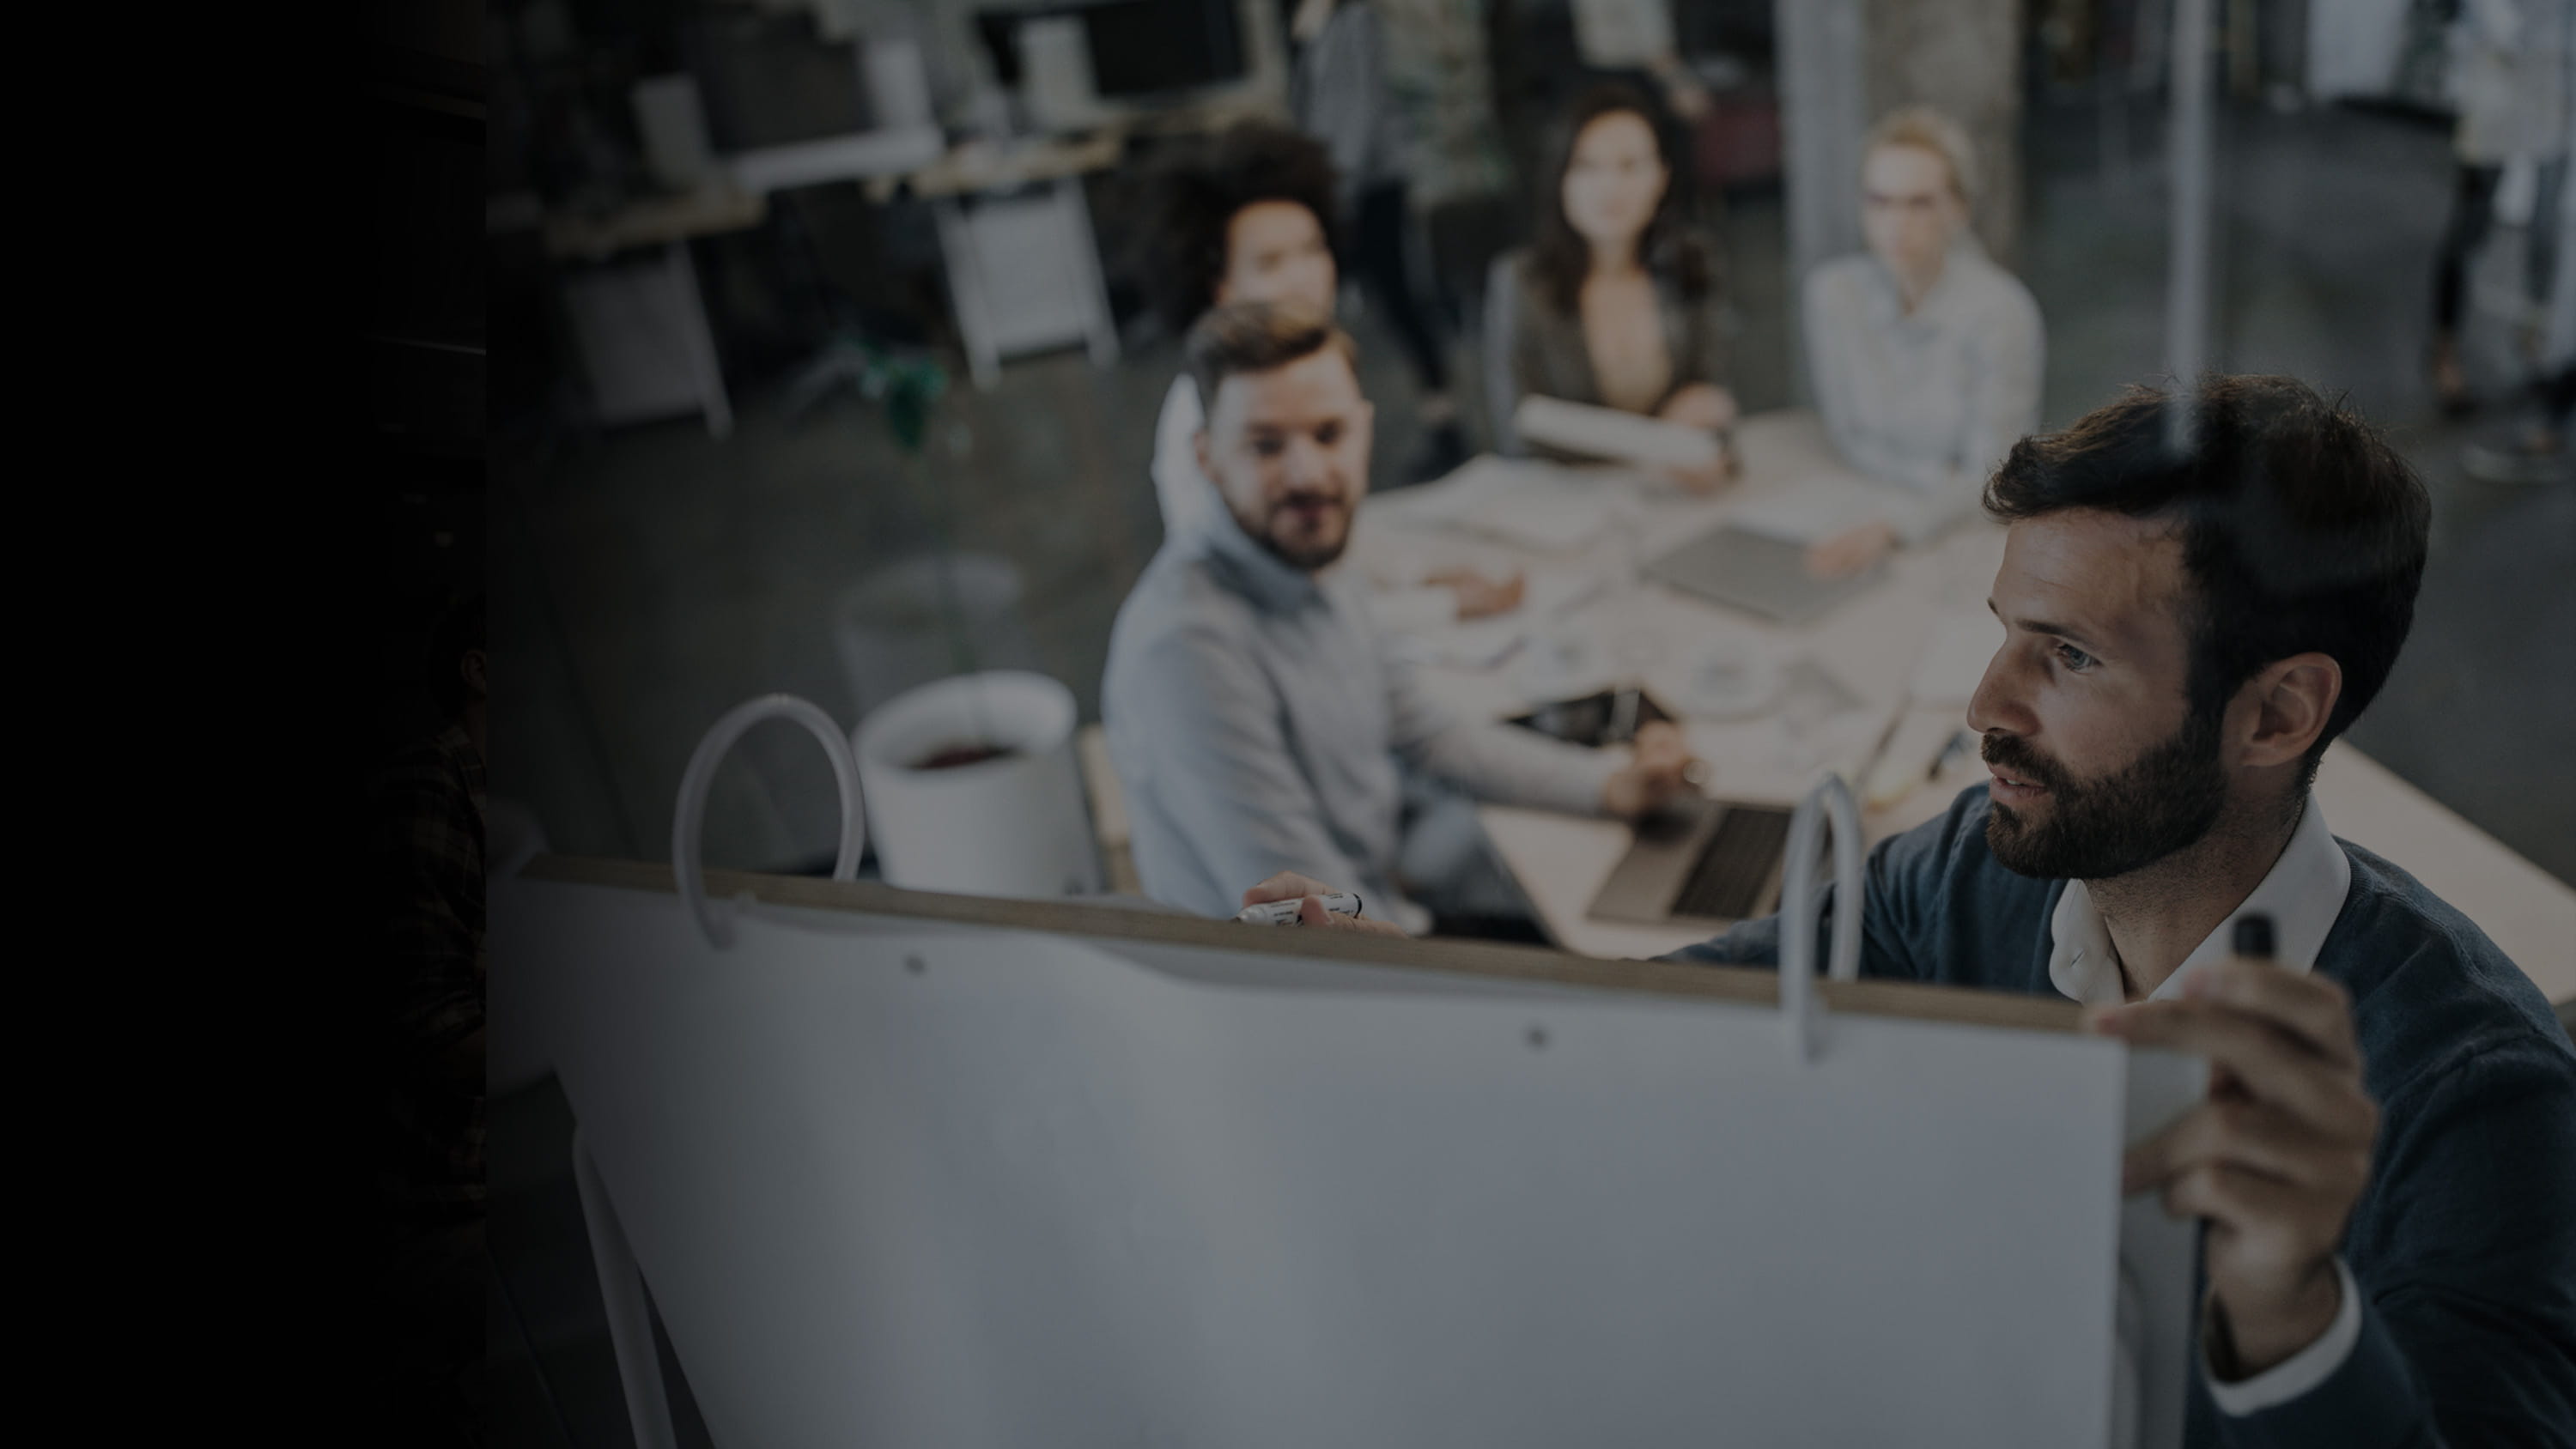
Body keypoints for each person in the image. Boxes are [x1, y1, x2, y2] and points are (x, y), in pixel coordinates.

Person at [1242, 374, 2576, 1446]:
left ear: (2277, 713)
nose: (1985, 707)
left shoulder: (2482, 1099)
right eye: (2005, 630)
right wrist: (1414, 987)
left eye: (2067, 656)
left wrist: (2288, 1314)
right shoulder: (1976, 871)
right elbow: (1707, 1006)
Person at [1104, 299, 1698, 931]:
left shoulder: (1310, 553)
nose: (1309, 473)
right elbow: (1301, 911)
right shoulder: (1188, 651)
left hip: (1379, 907)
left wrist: (1606, 788)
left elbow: (1427, 732)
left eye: (1328, 434)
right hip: (1312, 983)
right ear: (1206, 459)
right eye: (1266, 445)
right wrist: (1447, 963)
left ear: (1362, 428)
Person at [1141, 124, 1518, 621]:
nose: (1305, 276)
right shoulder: (1207, 414)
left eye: (1312, 249)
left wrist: (1419, 573)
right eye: (1272, 262)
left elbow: (1340, 543)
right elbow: (1278, 607)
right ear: (1220, 287)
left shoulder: (1307, 370)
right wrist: (1443, 604)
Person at [1801, 105, 2044, 579]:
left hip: (1965, 533)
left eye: (1919, 203)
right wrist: (1939, 479)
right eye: (1880, 201)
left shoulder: (2001, 313)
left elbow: (1995, 478)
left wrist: (1899, 523)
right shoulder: (1834, 294)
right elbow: (1847, 434)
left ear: (1958, 209)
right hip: (1858, 496)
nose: (1896, 222)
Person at [1487, 83, 1738, 494]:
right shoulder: (1521, 281)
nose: (1609, 186)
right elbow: (1520, 439)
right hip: (1572, 504)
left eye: (1630, 166)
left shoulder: (1691, 261)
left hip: (1673, 495)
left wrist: (1708, 432)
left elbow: (1714, 404)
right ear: (1561, 179)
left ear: (1661, 177)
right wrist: (1656, 445)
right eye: (1587, 166)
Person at [374, 591, 491, 1447]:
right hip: (444, 1211)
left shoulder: (492, 802)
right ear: (478, 669)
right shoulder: (429, 785)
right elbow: (438, 1038)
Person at [1288, 0, 1471, 482]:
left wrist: (1335, 196)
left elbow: (1358, 113)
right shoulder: (1317, 23)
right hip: (1345, 188)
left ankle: (1446, 428)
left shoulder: (1358, 19)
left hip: (1366, 190)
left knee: (1399, 303)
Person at [2428, 0, 2572, 414]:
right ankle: (2444, 349)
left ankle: (2537, 341)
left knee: (2547, 225)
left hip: (2551, 75)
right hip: (2495, 71)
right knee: (2471, 223)